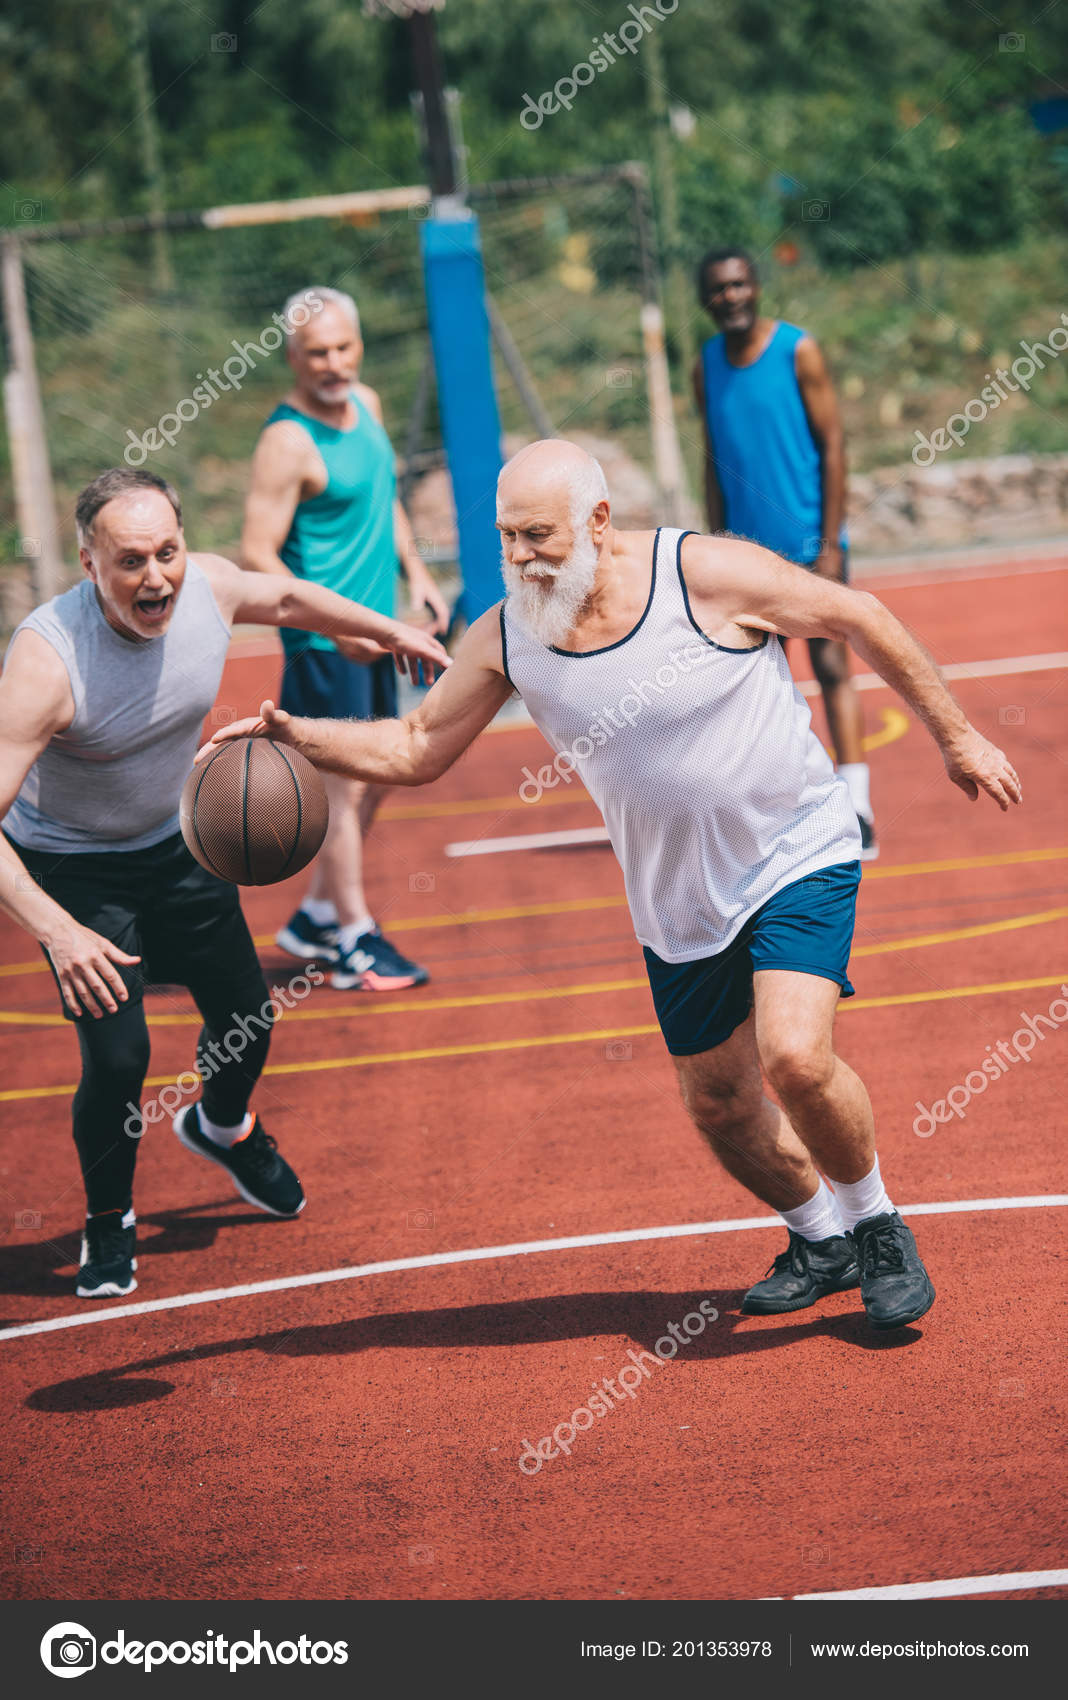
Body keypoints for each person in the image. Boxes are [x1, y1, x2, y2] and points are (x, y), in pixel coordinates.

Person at [204, 441, 1022, 1333]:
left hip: (794, 849)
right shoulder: (513, 630)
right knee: (718, 1101)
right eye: (506, 537)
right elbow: (415, 749)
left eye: (538, 535)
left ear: (598, 521)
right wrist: (294, 736)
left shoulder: (700, 573)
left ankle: (877, 1225)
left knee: (793, 1054)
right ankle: (818, 1239)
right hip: (675, 897)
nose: (519, 556)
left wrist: (959, 737)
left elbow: (859, 613)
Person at [0, 467, 448, 1300]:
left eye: (166, 551)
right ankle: (109, 1222)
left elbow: (286, 600)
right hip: (73, 868)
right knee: (120, 1054)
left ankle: (223, 1126)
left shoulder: (205, 589)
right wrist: (58, 931)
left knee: (246, 1018)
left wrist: (392, 632)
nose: (156, 576)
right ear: (89, 563)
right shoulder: (47, 660)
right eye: (130, 560)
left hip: (174, 844)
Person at [242, 285, 451, 992]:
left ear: (357, 346)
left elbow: (383, 497)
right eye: (315, 353)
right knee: (336, 790)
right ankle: (352, 938)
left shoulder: (368, 406)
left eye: (342, 348)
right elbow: (256, 556)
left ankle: (313, 917)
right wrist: (333, 626)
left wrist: (415, 573)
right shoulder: (286, 440)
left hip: (375, 631)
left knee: (379, 775)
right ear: (292, 357)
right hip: (323, 646)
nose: (331, 363)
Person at [694, 246, 878, 858]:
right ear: (705, 299)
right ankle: (778, 809)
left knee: (830, 668)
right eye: (718, 289)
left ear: (757, 286)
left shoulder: (798, 351)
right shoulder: (705, 366)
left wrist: (828, 544)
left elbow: (833, 447)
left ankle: (857, 804)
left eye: (739, 285)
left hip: (808, 545)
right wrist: (716, 546)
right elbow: (712, 461)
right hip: (745, 557)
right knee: (754, 686)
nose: (731, 297)